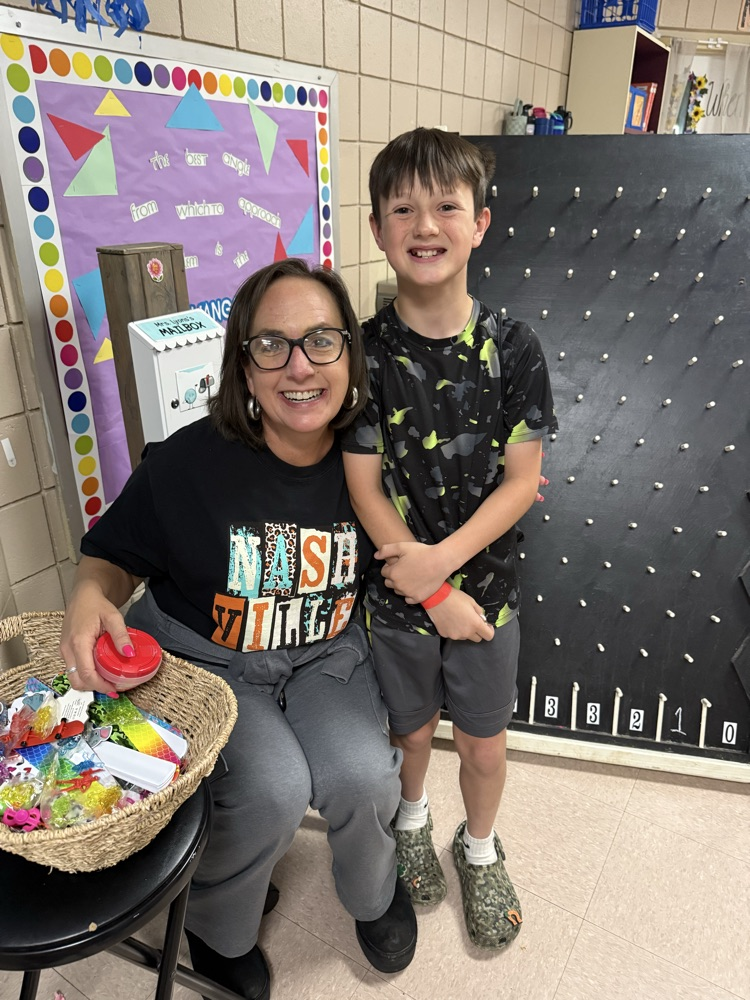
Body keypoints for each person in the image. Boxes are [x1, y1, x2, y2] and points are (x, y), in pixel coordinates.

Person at [60, 258, 417, 1000]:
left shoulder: (373, 459)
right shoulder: (187, 463)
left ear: (349, 352)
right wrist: (88, 597)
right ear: (243, 366)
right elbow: (110, 559)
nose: (298, 366)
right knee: (271, 787)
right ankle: (219, 930)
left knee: (362, 775)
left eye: (321, 340)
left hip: (326, 657)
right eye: (270, 345)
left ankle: (375, 895)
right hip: (210, 663)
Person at [341, 128, 558, 950]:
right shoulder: (363, 354)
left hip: (488, 600)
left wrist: (450, 571)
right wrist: (430, 587)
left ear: (480, 223)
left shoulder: (513, 348)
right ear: (377, 228)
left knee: (483, 739)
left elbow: (520, 481)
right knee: (408, 731)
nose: (424, 223)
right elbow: (363, 485)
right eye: (403, 206)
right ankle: (410, 819)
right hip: (400, 599)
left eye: (445, 206)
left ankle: (478, 844)